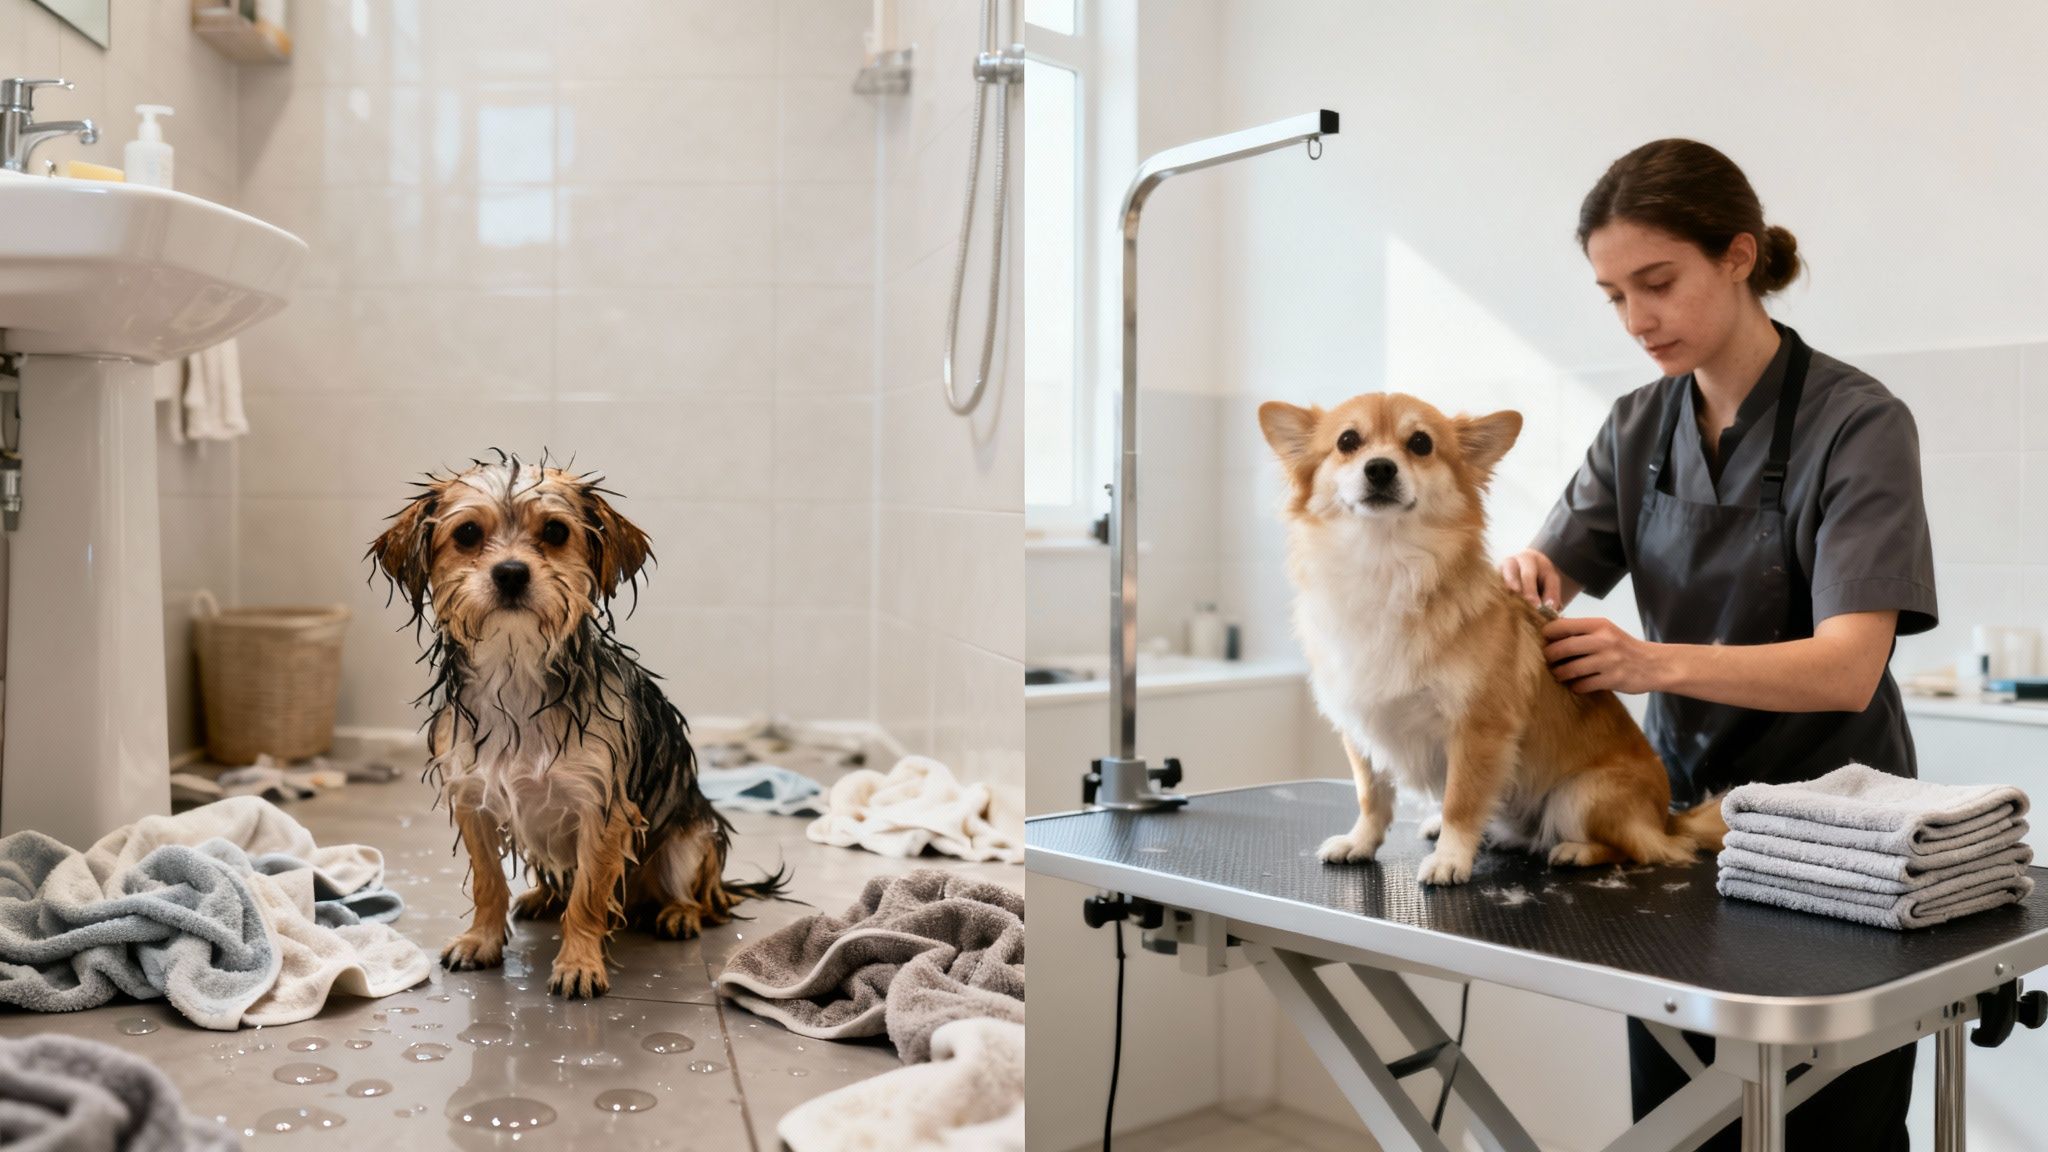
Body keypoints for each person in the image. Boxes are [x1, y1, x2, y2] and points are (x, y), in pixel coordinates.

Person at [1502, 138, 1935, 1152]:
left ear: (1737, 257)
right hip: (1673, 825)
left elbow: (1846, 667)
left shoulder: (1857, 423)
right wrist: (1517, 585)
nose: (1635, 319)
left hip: (1835, 834)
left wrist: (1648, 661)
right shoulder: (1632, 428)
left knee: (1834, 1127)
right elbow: (1547, 574)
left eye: (1657, 283)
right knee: (1680, 1124)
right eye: (1611, 295)